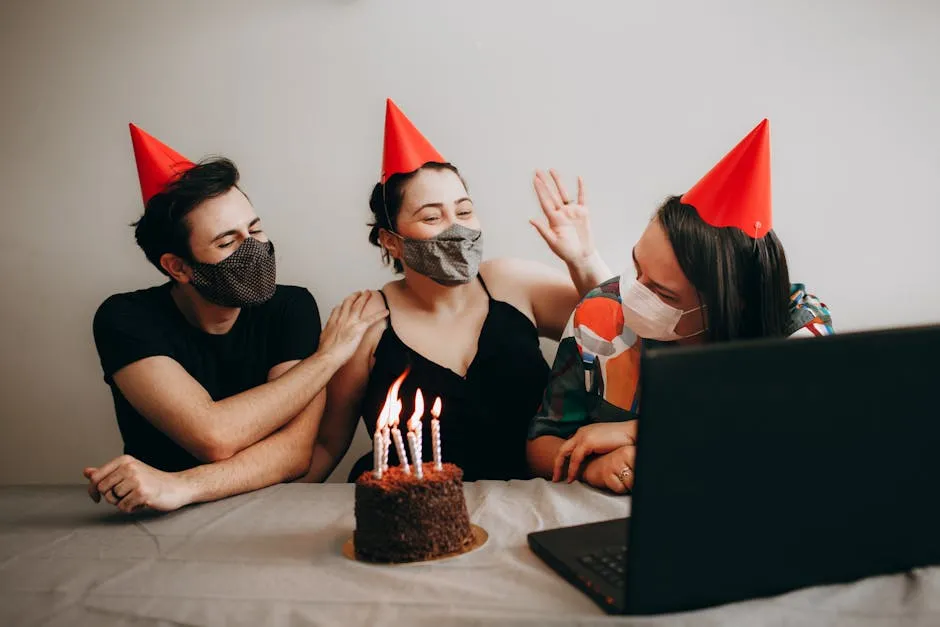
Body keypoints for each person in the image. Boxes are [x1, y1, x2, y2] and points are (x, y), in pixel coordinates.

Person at [305, 99, 611, 482]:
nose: (457, 228)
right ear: (391, 241)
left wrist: (584, 259)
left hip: (529, 501)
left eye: (464, 211)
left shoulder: (512, 283)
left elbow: (619, 332)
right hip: (413, 510)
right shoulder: (367, 321)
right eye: (432, 216)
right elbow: (326, 445)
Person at [86, 124, 386, 513]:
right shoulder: (126, 318)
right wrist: (328, 358)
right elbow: (214, 435)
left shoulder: (290, 307)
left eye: (255, 229)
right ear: (178, 267)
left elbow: (295, 453)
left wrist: (180, 485)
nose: (254, 249)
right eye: (227, 242)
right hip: (155, 520)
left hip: (255, 513)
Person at [527, 120, 834, 494]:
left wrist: (639, 432)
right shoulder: (600, 318)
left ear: (731, 304)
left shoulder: (799, 326)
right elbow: (541, 444)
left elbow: (794, 436)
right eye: (636, 267)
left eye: (664, 294)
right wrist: (595, 467)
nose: (632, 294)